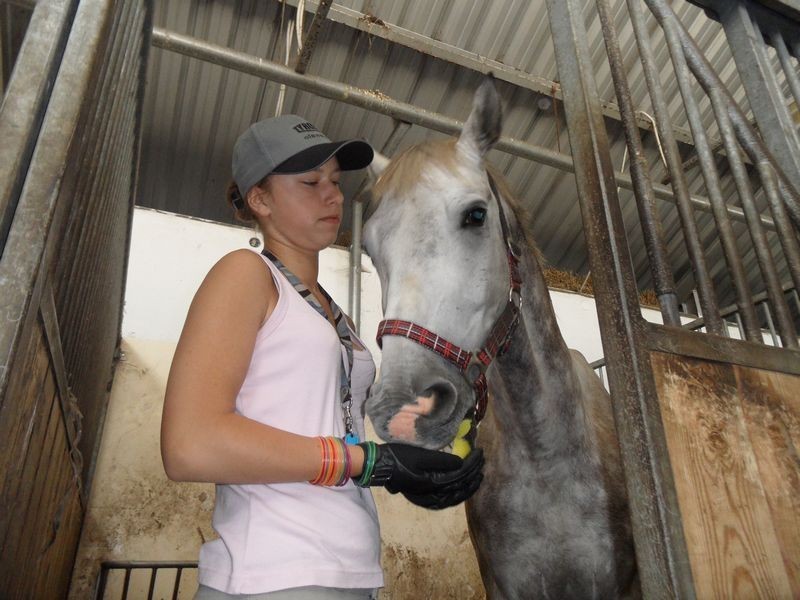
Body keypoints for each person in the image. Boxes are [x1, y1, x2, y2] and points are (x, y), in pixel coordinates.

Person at [160, 114, 485, 599]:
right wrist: (367, 463)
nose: (333, 195)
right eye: (310, 182)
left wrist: (423, 452)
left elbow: (352, 422)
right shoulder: (246, 274)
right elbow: (190, 443)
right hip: (273, 572)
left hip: (349, 570)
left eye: (335, 180)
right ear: (260, 199)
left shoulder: (335, 315)